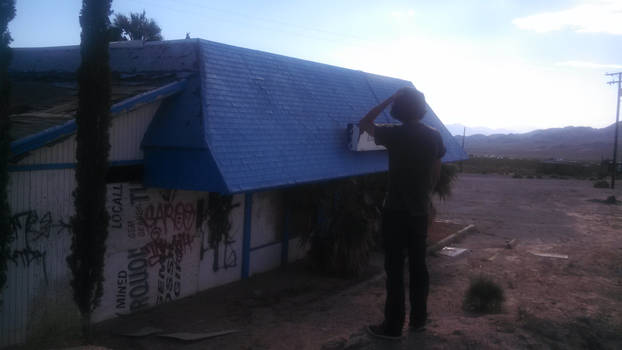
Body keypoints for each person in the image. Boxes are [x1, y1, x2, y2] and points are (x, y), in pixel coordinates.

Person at [358, 87, 446, 340]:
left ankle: (393, 327)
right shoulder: (434, 136)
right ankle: (419, 321)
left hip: (395, 212)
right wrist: (426, 196)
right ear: (421, 107)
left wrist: (388, 98)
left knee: (394, 270)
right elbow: (436, 169)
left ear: (399, 109)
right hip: (419, 211)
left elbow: (365, 122)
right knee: (419, 267)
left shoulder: (393, 134)